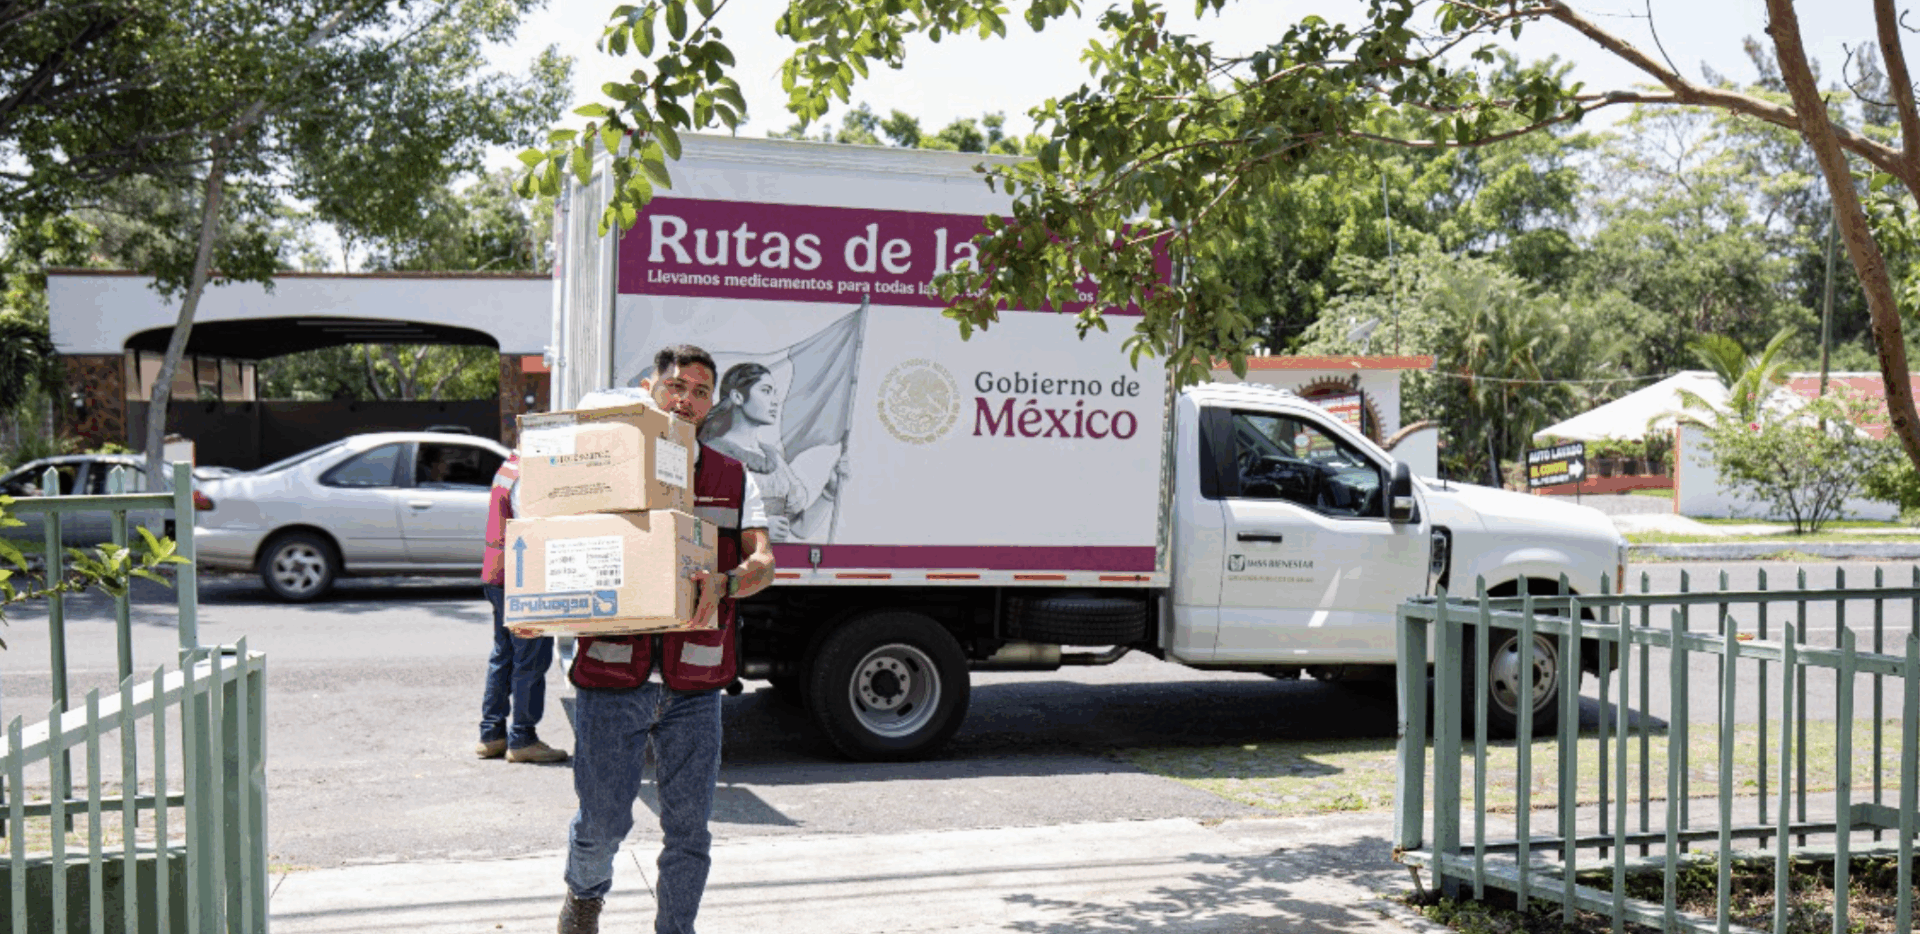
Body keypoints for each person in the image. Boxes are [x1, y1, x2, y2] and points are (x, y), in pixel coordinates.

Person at [551, 344, 775, 934]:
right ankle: (584, 897)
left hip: (694, 684)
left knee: (689, 831)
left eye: (700, 392)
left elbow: (764, 563)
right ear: (649, 388)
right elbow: (553, 539)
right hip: (612, 677)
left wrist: (728, 581)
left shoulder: (732, 477)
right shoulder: (607, 464)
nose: (686, 400)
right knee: (602, 823)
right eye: (676, 386)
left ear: (712, 403)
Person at [477, 452, 569, 763]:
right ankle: (522, 738)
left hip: (497, 571)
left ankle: (491, 735)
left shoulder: (509, 465)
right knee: (531, 657)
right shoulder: (531, 472)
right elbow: (533, 524)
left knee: (503, 655)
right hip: (521, 575)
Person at [699, 361, 848, 542]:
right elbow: (699, 522)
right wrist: (754, 527)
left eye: (774, 393)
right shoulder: (710, 453)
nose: (775, 401)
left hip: (777, 558)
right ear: (738, 397)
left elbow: (801, 528)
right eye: (766, 391)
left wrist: (830, 490)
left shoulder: (773, 458)